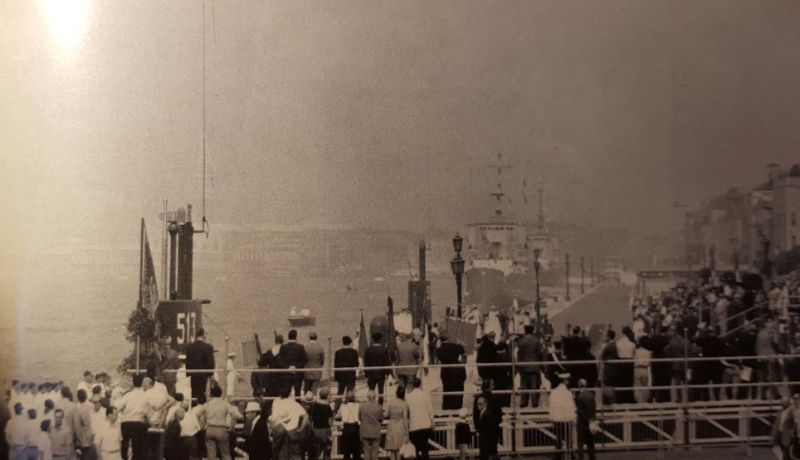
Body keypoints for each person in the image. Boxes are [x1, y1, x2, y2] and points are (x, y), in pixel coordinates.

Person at [114, 374, 148, 460]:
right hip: (139, 422)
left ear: (133, 383)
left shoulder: (128, 395)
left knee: (125, 444)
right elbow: (148, 410)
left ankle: (124, 459)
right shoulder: (145, 395)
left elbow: (117, 407)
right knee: (138, 447)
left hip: (126, 422)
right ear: (142, 383)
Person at [203, 385, 241, 460]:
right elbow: (234, 415)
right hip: (221, 429)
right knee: (225, 454)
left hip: (210, 429)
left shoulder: (207, 404)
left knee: (211, 455)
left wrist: (204, 425)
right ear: (221, 394)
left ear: (211, 394)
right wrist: (232, 426)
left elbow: (198, 414)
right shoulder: (225, 403)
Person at [548, 373, 576, 460]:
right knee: (569, 437)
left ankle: (557, 455)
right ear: (565, 381)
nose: (569, 382)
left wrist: (551, 417)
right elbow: (571, 406)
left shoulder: (553, 392)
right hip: (566, 418)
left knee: (558, 438)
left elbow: (551, 406)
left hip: (557, 418)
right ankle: (571, 454)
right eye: (568, 380)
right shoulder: (568, 393)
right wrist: (573, 418)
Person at [437, 334, 467, 410]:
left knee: (447, 390)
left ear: (440, 340)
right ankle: (457, 406)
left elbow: (440, 358)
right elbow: (463, 352)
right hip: (456, 370)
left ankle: (447, 407)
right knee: (458, 390)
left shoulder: (439, 349)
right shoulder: (455, 346)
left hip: (446, 372)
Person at [406, 378, 434, 460]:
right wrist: (432, 422)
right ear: (420, 384)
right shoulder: (426, 395)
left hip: (413, 426)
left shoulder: (408, 396)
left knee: (415, 450)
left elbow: (407, 411)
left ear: (413, 385)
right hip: (425, 425)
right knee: (425, 449)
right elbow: (430, 411)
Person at [516, 325, 543, 408]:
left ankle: (523, 402)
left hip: (524, 366)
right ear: (532, 330)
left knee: (524, 385)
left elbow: (519, 354)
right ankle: (534, 402)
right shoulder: (536, 341)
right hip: (534, 366)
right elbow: (540, 353)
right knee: (534, 385)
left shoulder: (521, 341)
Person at [185, 328, 215, 399]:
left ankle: (194, 405)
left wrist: (188, 372)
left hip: (193, 374)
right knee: (202, 392)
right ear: (203, 335)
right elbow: (210, 361)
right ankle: (201, 404)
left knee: (194, 393)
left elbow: (188, 361)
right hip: (203, 374)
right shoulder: (208, 347)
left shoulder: (190, 347)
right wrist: (211, 373)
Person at [363, 333, 392, 406]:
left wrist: (366, 373)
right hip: (381, 373)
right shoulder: (384, 350)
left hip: (371, 374)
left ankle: (370, 405)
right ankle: (380, 406)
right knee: (381, 391)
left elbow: (366, 362)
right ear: (380, 340)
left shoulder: (368, 350)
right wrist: (388, 373)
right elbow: (386, 362)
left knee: (371, 390)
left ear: (373, 340)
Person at [259, 335, 287, 404]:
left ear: (275, 341)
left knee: (273, 396)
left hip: (272, 377)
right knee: (283, 397)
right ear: (282, 342)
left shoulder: (269, 351)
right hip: (283, 377)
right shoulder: (285, 350)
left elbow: (262, 362)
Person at [281, 329, 309, 398]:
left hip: (287, 373)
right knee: (297, 392)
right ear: (296, 337)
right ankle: (298, 403)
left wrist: (288, 367)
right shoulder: (300, 347)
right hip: (298, 374)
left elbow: (280, 360)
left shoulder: (283, 347)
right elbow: (305, 359)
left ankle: (286, 403)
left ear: (288, 337)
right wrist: (297, 368)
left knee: (286, 392)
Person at [307, 388, 333, 460]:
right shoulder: (328, 407)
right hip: (325, 430)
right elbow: (330, 421)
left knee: (316, 451)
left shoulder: (314, 405)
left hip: (315, 430)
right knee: (326, 451)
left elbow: (309, 415)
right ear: (327, 396)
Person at [334, 336, 360, 408]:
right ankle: (348, 408)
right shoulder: (354, 352)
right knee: (350, 393)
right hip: (350, 375)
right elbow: (356, 364)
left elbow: (336, 366)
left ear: (343, 342)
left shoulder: (338, 352)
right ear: (350, 343)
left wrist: (336, 378)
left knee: (340, 392)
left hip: (341, 376)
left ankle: (336, 407)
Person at [385, 386, 409, 460]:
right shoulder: (404, 404)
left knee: (392, 450)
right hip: (400, 425)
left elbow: (386, 414)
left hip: (391, 425)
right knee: (399, 449)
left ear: (396, 393)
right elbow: (405, 418)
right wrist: (407, 431)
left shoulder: (390, 402)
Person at [574, 379, 596, 460]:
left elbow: (580, 412)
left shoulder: (580, 397)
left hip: (582, 425)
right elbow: (593, 409)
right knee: (591, 445)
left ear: (579, 386)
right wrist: (591, 420)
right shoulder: (592, 396)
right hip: (591, 424)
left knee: (580, 445)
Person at [359, 391, 383, 460]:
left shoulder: (362, 407)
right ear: (375, 397)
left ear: (367, 397)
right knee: (375, 452)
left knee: (366, 452)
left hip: (365, 431)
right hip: (375, 432)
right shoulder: (379, 407)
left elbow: (360, 418)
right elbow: (381, 418)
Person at [336, 391, 360, 460]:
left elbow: (337, 416)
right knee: (356, 451)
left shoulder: (342, 406)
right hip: (355, 427)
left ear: (346, 398)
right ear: (354, 398)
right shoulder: (358, 406)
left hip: (346, 427)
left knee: (346, 451)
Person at [475, 396, 499, 460]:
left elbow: (491, 431)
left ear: (485, 404)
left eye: (480, 403)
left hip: (487, 445)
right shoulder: (483, 413)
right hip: (484, 444)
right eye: (477, 404)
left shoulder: (487, 414)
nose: (478, 405)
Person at [72, 389, 94, 460]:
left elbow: (77, 426)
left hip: (84, 435)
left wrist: (78, 437)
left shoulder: (77, 409)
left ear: (78, 398)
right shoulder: (91, 406)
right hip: (93, 432)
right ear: (86, 396)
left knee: (85, 454)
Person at [304, 332, 325, 396]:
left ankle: (306, 400)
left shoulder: (305, 347)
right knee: (314, 390)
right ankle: (314, 401)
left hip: (307, 372)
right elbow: (322, 360)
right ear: (316, 338)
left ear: (309, 338)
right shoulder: (320, 348)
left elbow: (303, 359)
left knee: (306, 390)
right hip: (317, 371)